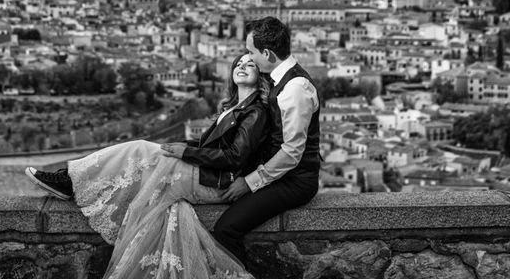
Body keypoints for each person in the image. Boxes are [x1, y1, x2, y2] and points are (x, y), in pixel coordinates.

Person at [25, 53, 269, 278]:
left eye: (250, 64)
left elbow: (235, 156)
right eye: (239, 63)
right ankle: (70, 178)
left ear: (260, 77)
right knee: (144, 154)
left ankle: (69, 180)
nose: (242, 66)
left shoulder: (255, 112)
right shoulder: (234, 108)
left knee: (139, 150)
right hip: (204, 173)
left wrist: (187, 151)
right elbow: (210, 145)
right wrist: (184, 146)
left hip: (213, 182)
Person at [213, 16, 321, 266]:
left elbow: (292, 152)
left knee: (225, 229)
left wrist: (249, 183)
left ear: (268, 53)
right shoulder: (280, 79)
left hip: (295, 181)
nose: (248, 57)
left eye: (251, 52)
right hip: (281, 173)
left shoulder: (295, 88)